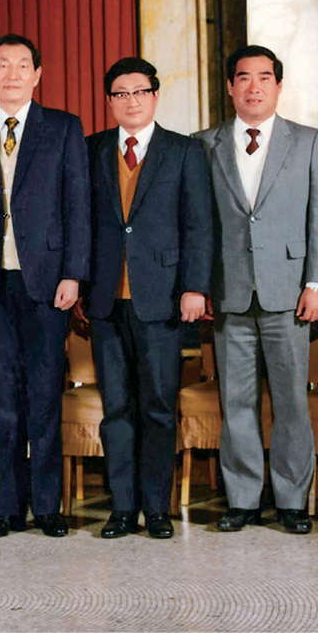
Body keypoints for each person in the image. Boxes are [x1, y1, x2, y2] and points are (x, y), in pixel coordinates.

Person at [193, 45, 318, 535]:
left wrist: (317, 283)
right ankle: (244, 499)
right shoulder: (203, 144)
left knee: (292, 402)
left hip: (290, 294)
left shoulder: (309, 142)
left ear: (278, 85)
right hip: (228, 294)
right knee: (236, 403)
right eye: (243, 78)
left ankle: (293, 501)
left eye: (264, 78)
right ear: (229, 86)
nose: (254, 87)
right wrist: (200, 285)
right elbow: (199, 225)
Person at [0, 34, 90, 539]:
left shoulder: (62, 128)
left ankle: (48, 506)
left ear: (38, 74)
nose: (12, 73)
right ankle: (7, 507)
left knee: (44, 396)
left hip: (46, 282)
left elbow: (77, 205)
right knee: (1, 400)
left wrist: (74, 272)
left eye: (23, 65)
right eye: (2, 65)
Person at [76, 58, 212, 540]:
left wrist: (195, 286)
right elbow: (82, 224)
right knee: (116, 409)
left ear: (155, 95)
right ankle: (121, 508)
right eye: (119, 93)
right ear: (108, 101)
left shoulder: (184, 151)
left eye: (139, 91)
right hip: (106, 301)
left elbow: (198, 224)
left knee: (157, 406)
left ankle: (156, 508)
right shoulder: (90, 150)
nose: (130, 100)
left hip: (163, 300)